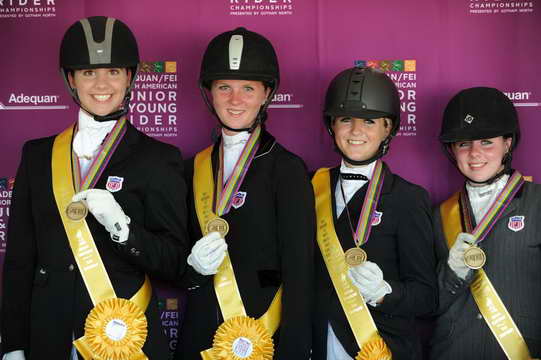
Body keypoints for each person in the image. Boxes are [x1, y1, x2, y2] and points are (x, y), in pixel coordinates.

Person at [1, 16, 187, 360]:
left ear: (129, 77)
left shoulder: (159, 159)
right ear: (71, 79)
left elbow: (174, 261)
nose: (102, 83)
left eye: (113, 71)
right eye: (88, 72)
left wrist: (122, 228)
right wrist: (12, 343)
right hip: (48, 337)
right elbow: (19, 260)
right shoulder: (37, 156)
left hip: (124, 336)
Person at [175, 27, 315, 360]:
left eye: (248, 89)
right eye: (224, 87)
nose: (235, 100)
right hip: (201, 334)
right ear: (210, 92)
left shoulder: (287, 169)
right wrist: (191, 267)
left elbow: (300, 271)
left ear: (267, 94)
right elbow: (173, 256)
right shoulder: (190, 168)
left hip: (267, 335)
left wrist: (294, 348)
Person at [311, 66, 437, 360]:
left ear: (388, 128)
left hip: (380, 348)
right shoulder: (306, 186)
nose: (356, 131)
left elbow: (426, 297)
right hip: (315, 344)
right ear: (332, 126)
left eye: (369, 121)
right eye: (345, 120)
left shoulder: (408, 198)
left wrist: (383, 292)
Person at [430, 87, 541, 359]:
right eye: (463, 143)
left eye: (486, 142)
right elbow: (428, 303)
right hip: (454, 351)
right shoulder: (440, 214)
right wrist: (451, 273)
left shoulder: (538, 203)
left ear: (508, 143)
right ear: (452, 151)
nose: (474, 153)